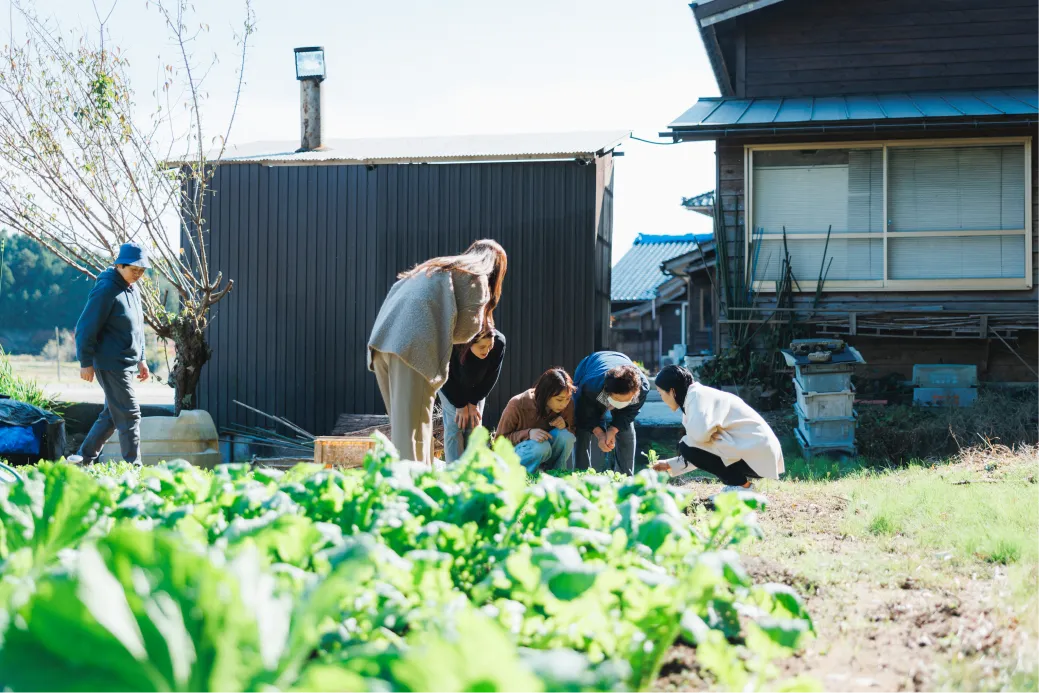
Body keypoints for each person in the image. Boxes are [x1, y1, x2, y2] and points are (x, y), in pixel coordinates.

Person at [368, 239, 507, 465]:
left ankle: (406, 486)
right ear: (496, 268)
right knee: (414, 437)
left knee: (404, 430)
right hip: (413, 350)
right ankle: (411, 493)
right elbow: (465, 333)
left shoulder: (439, 267)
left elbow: (397, 288)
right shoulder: (475, 277)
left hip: (382, 342)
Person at [68, 242, 151, 465]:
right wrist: (85, 361)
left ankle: (82, 459)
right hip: (110, 363)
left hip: (126, 362)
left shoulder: (132, 289)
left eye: (142, 271)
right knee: (130, 413)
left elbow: (137, 327)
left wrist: (141, 359)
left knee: (112, 415)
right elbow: (85, 327)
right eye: (134, 270)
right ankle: (134, 468)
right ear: (119, 265)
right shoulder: (106, 289)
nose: (138, 275)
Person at [651, 365, 784, 493]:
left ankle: (742, 487)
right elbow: (704, 449)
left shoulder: (697, 397)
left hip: (757, 452)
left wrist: (685, 447)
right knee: (688, 445)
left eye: (660, 393)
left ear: (672, 391)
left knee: (686, 446)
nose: (662, 398)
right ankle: (740, 485)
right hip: (757, 452)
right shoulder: (696, 397)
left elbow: (698, 442)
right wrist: (670, 464)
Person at [572, 351, 649, 475]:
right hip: (589, 366)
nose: (619, 404)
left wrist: (612, 430)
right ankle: (582, 473)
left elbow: (628, 415)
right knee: (582, 429)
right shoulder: (589, 387)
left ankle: (624, 476)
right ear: (607, 392)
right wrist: (600, 434)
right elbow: (584, 414)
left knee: (625, 427)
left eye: (625, 400)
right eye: (617, 399)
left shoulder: (642, 388)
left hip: (621, 359)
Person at [437, 328, 506, 462]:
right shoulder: (451, 344)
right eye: (481, 347)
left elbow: (491, 377)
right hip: (449, 383)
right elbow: (443, 375)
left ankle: (471, 472)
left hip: (477, 387)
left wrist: (474, 402)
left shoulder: (499, 342)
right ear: (468, 343)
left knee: (474, 426)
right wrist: (460, 405)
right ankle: (454, 474)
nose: (486, 350)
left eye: (489, 346)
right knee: (454, 425)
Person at [496, 367, 577, 474]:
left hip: (545, 452)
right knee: (541, 447)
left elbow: (573, 433)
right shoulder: (518, 403)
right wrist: (528, 433)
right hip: (515, 456)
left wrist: (565, 425)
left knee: (566, 437)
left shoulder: (567, 405)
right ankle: (523, 477)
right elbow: (499, 440)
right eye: (559, 400)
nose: (564, 404)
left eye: (567, 398)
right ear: (545, 395)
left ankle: (555, 473)